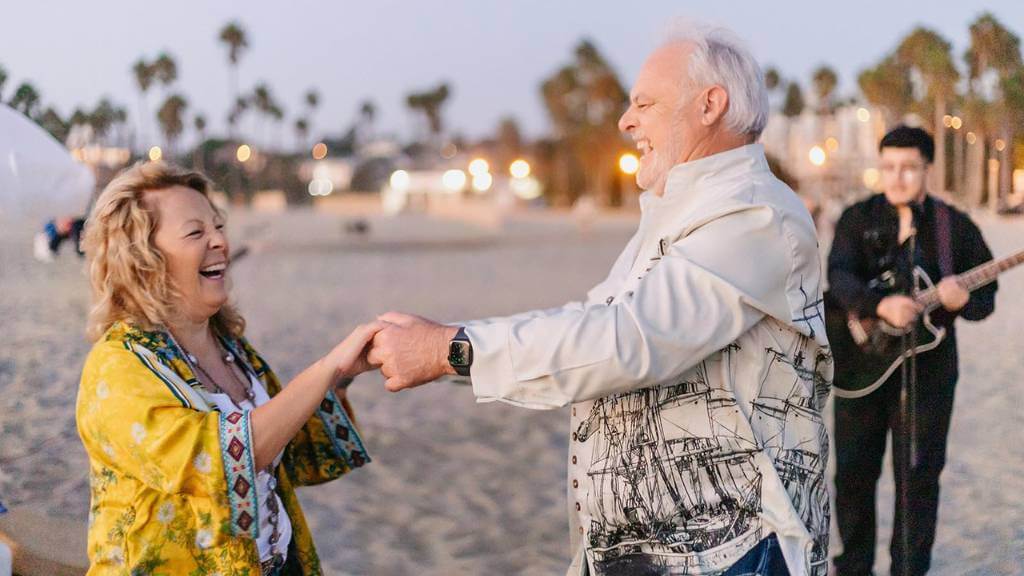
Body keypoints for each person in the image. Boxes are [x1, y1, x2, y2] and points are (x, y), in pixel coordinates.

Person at [367, 24, 832, 576]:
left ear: (710, 105)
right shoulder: (678, 214)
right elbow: (590, 327)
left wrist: (450, 349)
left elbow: (626, 342)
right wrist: (445, 346)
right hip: (640, 551)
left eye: (644, 103)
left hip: (733, 553)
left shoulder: (756, 216)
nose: (625, 121)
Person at [76, 162, 381, 575]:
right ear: (141, 259)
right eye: (195, 232)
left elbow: (294, 454)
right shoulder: (118, 367)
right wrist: (326, 367)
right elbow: (218, 462)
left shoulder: (231, 349)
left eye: (218, 227)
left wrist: (341, 379)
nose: (220, 240)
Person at [828, 126, 997, 576]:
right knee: (853, 477)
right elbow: (839, 277)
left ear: (928, 169)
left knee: (919, 481)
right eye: (888, 167)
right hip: (860, 369)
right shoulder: (857, 218)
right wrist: (879, 305)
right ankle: (854, 568)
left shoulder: (954, 227)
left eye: (908, 168)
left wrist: (962, 301)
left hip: (930, 373)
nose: (897, 177)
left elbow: (986, 299)